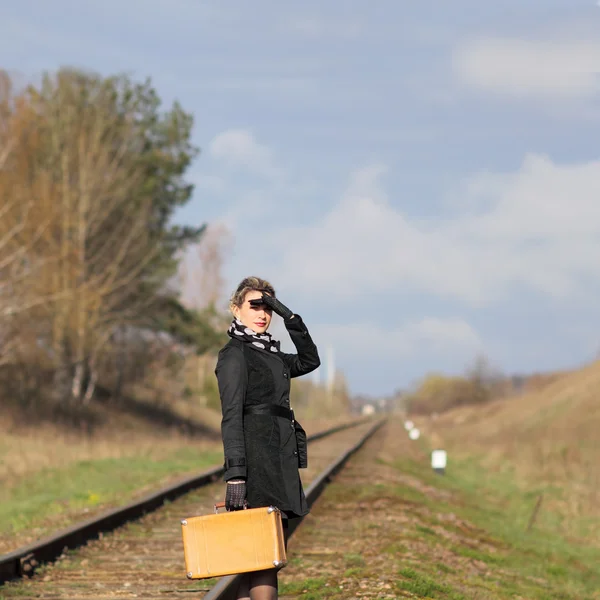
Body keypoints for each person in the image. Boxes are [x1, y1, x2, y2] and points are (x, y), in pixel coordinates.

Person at [215, 276, 321, 600]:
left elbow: (309, 359)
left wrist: (288, 315)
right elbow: (231, 416)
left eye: (268, 307)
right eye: (255, 305)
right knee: (263, 560)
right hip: (257, 467)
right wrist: (236, 475)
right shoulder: (234, 355)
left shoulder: (273, 355)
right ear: (236, 309)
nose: (262, 313)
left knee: (264, 559)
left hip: (278, 462)